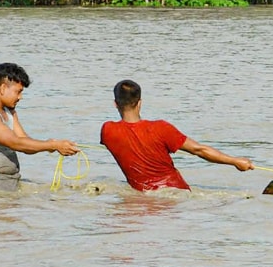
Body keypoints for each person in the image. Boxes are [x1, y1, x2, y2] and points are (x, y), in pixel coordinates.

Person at [101, 80, 254, 191]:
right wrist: (235, 161)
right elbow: (198, 150)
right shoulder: (161, 128)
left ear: (115, 103)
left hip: (144, 194)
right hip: (177, 192)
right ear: (140, 103)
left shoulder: (107, 131)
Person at [0, 63, 79, 191]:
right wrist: (53, 145)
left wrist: (53, 145)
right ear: (3, 88)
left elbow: (25, 145)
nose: (20, 97)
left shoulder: (10, 112)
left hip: (11, 179)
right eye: (18, 92)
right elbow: (15, 143)